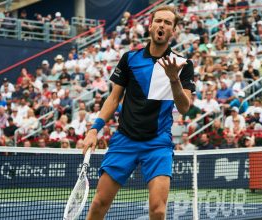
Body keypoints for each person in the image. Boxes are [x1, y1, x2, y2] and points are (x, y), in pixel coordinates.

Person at [83, 6, 194, 220]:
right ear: (150, 25)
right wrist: (94, 129)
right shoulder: (130, 59)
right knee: (99, 203)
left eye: (168, 23)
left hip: (158, 143)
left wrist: (174, 79)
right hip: (125, 140)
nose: (162, 25)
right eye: (158, 21)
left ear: (173, 31)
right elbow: (113, 99)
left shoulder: (183, 65)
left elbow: (184, 107)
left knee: (158, 209)